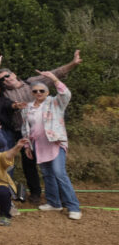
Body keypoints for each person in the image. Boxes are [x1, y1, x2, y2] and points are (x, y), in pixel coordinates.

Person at [0, 51, 81, 205]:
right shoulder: (3, 93)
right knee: (30, 164)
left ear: (14, 74)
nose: (6, 79)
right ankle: (36, 193)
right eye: (2, 79)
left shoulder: (32, 82)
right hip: (22, 130)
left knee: (55, 168)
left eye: (7, 75)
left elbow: (56, 73)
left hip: (47, 131)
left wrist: (73, 63)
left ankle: (64, 198)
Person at [21, 70, 81, 220]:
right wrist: (27, 146)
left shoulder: (55, 102)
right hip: (38, 145)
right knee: (47, 174)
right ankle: (54, 202)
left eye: (42, 90)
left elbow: (66, 94)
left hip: (55, 143)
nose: (38, 93)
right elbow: (25, 128)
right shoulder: (27, 107)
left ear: (47, 92)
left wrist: (54, 78)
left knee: (59, 173)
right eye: (35, 91)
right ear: (32, 93)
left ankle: (73, 207)